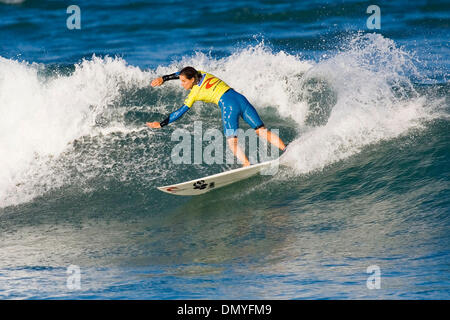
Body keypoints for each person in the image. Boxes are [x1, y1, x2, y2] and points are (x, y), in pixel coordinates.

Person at [147, 66, 286, 167]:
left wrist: (161, 123)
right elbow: (180, 73)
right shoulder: (201, 73)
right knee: (261, 130)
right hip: (240, 99)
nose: (181, 84)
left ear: (192, 79)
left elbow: (180, 112)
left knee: (232, 141)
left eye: (184, 81)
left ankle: (246, 164)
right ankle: (285, 150)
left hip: (228, 106)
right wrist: (164, 78)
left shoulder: (194, 94)